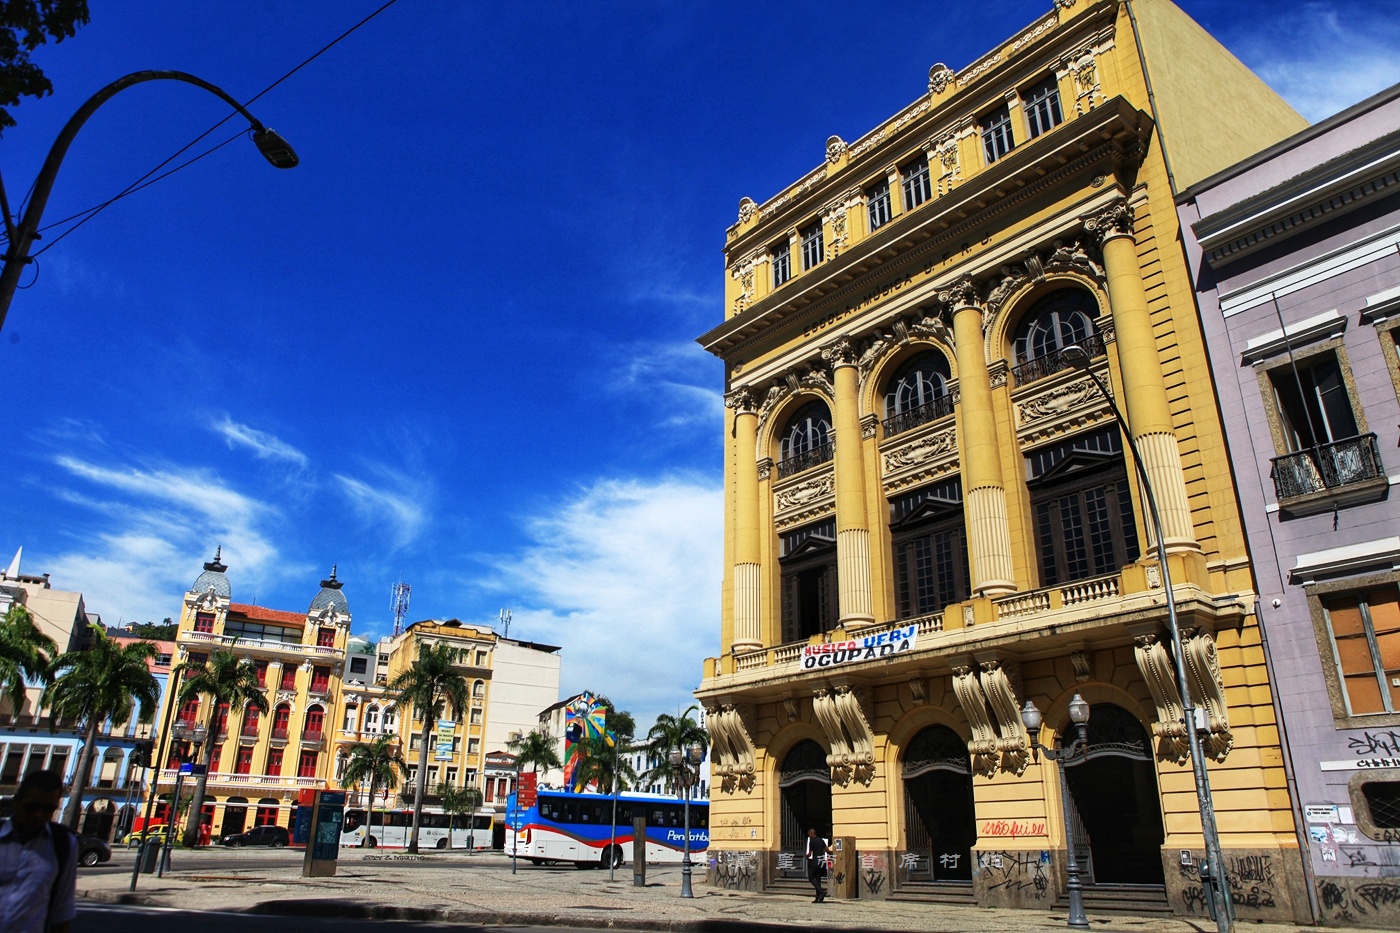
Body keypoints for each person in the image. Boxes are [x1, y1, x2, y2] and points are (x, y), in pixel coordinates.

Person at [0, 770, 78, 933]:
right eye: (31, 807)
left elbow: (62, 909)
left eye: (48, 809)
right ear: (16, 802)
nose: (38, 815)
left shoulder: (63, 844)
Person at [804, 827, 829, 903]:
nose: (809, 836)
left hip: (815, 862)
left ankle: (821, 891)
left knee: (811, 878)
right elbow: (827, 850)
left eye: (809, 834)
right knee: (818, 879)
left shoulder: (812, 841)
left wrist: (806, 856)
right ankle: (818, 898)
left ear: (811, 834)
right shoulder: (821, 840)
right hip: (821, 862)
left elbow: (810, 853)